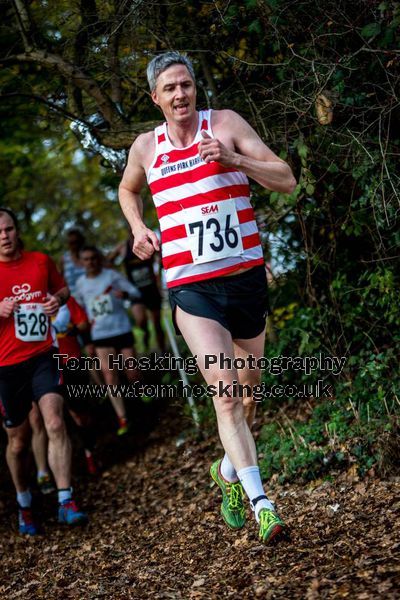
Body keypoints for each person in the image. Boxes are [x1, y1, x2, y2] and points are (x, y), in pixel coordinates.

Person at [118, 52, 297, 544]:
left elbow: (286, 179)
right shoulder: (144, 148)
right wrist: (137, 227)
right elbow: (127, 189)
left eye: (187, 85)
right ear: (155, 97)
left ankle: (228, 472)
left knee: (247, 394)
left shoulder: (226, 124)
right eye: (170, 88)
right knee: (225, 393)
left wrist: (234, 159)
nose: (181, 95)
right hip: (192, 289)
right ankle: (264, 506)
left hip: (244, 280)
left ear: (196, 88)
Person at [0, 207, 87, 535]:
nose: (5, 237)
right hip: (6, 366)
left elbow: (62, 290)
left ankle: (66, 500)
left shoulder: (40, 261)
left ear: (16, 230)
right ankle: (24, 503)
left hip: (42, 355)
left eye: (8, 229)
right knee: (18, 442)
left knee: (54, 420)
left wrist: (56, 300)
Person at [75, 246, 141, 435]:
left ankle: (139, 398)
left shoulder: (111, 276)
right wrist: (85, 334)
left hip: (121, 328)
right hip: (100, 334)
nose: (91, 262)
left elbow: (135, 292)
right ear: (82, 263)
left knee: (132, 372)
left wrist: (126, 295)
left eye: (94, 258)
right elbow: (78, 308)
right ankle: (122, 417)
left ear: (99, 259)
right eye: (86, 259)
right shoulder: (80, 284)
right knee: (110, 376)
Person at [108, 232, 167, 353]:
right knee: (140, 320)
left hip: (151, 288)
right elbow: (108, 262)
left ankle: (164, 352)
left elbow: (161, 257)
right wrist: (119, 280)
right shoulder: (123, 247)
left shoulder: (149, 242)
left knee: (157, 323)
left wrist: (159, 278)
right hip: (134, 291)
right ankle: (146, 332)